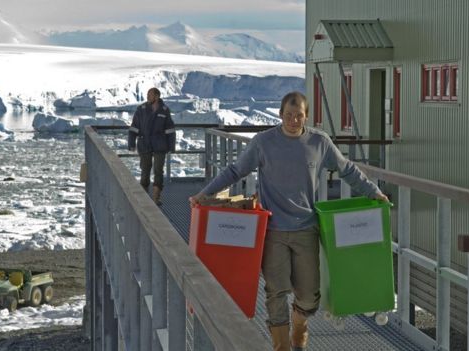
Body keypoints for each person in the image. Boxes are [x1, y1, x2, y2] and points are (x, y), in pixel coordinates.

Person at [189, 92, 388, 351]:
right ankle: (282, 346)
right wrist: (205, 194)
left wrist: (373, 192)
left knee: (308, 296)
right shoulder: (264, 142)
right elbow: (235, 170)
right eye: (289, 115)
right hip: (273, 230)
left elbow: (347, 169)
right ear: (280, 114)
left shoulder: (319, 142)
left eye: (299, 116)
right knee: (276, 292)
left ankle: (300, 326)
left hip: (306, 228)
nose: (293, 120)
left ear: (306, 116)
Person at [128, 87, 176, 205]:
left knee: (158, 170)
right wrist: (131, 143)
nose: (148, 96)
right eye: (147, 94)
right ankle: (144, 197)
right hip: (144, 144)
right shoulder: (141, 109)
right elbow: (134, 127)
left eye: (150, 94)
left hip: (160, 144)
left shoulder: (164, 110)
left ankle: (156, 197)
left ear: (157, 96)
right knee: (145, 170)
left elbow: (170, 129)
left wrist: (171, 146)